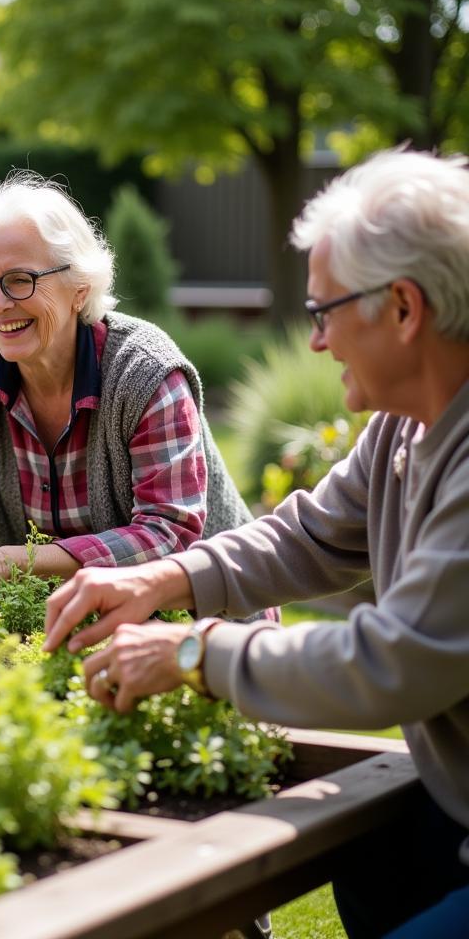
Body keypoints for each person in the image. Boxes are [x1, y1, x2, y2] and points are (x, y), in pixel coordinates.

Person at [44, 149, 469, 939]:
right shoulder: (404, 429)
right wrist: (162, 581)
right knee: (372, 853)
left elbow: (395, 660)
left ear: (404, 309)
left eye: (324, 312)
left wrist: (193, 655)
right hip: (453, 806)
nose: (315, 342)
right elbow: (306, 533)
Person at [0, 173, 263, 610]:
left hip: (207, 624)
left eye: (21, 279)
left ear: (79, 289)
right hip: (61, 626)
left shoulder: (146, 374)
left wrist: (16, 562)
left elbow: (168, 534)